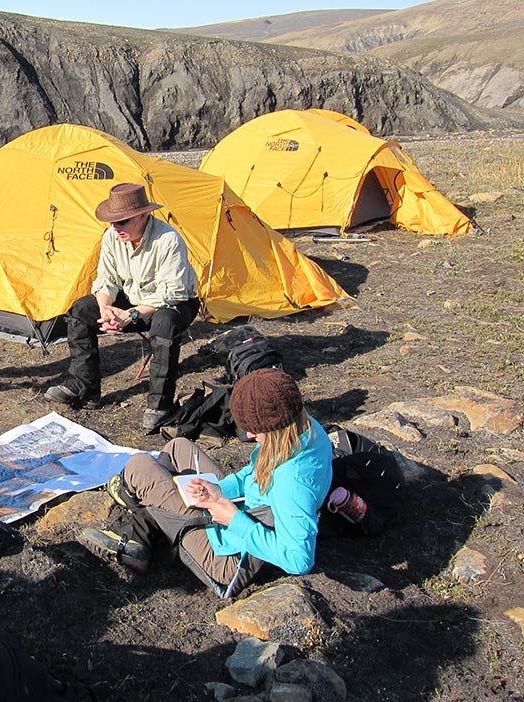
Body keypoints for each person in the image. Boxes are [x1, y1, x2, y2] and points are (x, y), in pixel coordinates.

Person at [79, 368, 332, 598]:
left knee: (139, 467)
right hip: (241, 515)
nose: (251, 436)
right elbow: (255, 474)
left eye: (256, 430)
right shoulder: (305, 430)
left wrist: (234, 520)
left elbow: (299, 559)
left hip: (227, 557)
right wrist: (220, 490)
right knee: (178, 447)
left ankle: (139, 529)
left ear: (277, 425)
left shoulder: (293, 483)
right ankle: (146, 524)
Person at [45, 182, 200, 431]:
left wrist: (131, 314)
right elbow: (106, 280)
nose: (116, 228)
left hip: (173, 302)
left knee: (164, 323)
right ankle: (84, 387)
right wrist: (106, 308)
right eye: (113, 222)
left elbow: (173, 291)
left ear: (143, 215)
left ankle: (160, 405)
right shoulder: (111, 237)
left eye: (123, 222)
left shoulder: (168, 239)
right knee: (80, 310)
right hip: (131, 298)